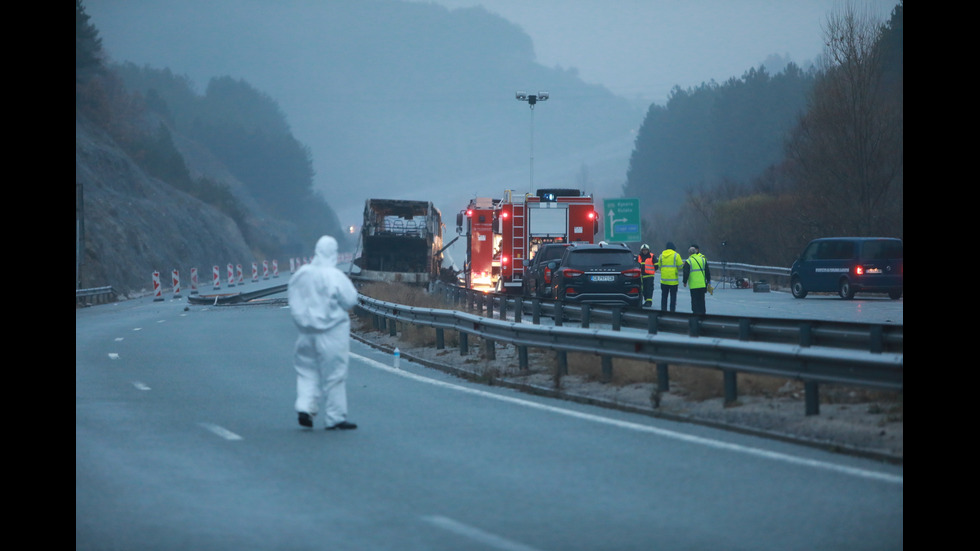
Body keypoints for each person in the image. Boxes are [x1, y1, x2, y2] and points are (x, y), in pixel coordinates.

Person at [288, 235, 360, 430]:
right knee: (334, 375)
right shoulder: (335, 276)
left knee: (306, 371)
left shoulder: (302, 274)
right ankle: (335, 417)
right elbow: (350, 300)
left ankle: (305, 406)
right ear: (333, 253)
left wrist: (302, 320)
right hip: (331, 332)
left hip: (305, 333)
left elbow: (293, 300)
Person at [683, 244, 711, 315]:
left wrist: (684, 282)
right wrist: (708, 280)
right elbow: (707, 271)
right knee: (702, 300)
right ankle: (703, 314)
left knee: (694, 300)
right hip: (702, 284)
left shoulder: (688, 261)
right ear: (696, 252)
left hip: (693, 285)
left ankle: (695, 315)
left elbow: (686, 273)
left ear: (689, 253)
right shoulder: (703, 259)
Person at [656, 242, 684, 312]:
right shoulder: (676, 255)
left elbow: (659, 266)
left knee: (664, 297)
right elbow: (680, 266)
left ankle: (663, 311)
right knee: (673, 298)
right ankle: (672, 312)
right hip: (673, 281)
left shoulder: (661, 255)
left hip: (664, 280)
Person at [637, 244, 657, 308]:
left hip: (649, 276)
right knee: (643, 290)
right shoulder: (639, 257)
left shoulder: (652, 256)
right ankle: (645, 301)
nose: (645, 251)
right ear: (641, 250)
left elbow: (656, 265)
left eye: (646, 250)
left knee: (649, 289)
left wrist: (652, 271)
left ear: (648, 250)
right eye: (643, 250)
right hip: (641, 276)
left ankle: (649, 302)